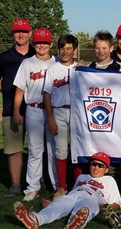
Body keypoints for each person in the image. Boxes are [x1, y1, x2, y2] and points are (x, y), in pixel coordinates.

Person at [13, 151, 121, 229]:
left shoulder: (109, 180)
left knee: (84, 209)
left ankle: (73, 224)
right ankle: (35, 219)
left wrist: (104, 208)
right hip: (74, 195)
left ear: (106, 169)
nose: (96, 167)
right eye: (93, 164)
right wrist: (53, 203)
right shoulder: (82, 177)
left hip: (93, 199)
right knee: (59, 205)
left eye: (100, 165)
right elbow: (72, 194)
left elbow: (117, 203)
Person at [0, 18, 35, 197]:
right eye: (17, 31)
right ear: (13, 34)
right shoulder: (3, 58)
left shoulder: (39, 53)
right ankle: (16, 184)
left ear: (30, 33)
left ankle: (38, 183)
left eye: (24, 31)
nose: (21, 34)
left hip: (35, 109)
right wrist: (7, 92)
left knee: (37, 148)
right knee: (14, 149)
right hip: (11, 109)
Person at [13, 28, 59, 201]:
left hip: (54, 111)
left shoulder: (57, 62)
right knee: (35, 150)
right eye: (39, 42)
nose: (42, 45)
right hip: (33, 109)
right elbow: (20, 89)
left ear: (51, 44)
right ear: (34, 44)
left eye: (45, 42)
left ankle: (56, 186)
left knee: (54, 149)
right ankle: (32, 187)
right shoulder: (27, 63)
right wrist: (17, 111)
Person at [43, 34, 79, 200]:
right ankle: (62, 187)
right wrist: (50, 117)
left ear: (75, 50)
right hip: (58, 111)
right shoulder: (52, 69)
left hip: (76, 112)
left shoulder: (80, 68)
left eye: (69, 48)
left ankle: (79, 186)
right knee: (61, 150)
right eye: (62, 48)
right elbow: (47, 95)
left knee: (78, 150)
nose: (65, 51)